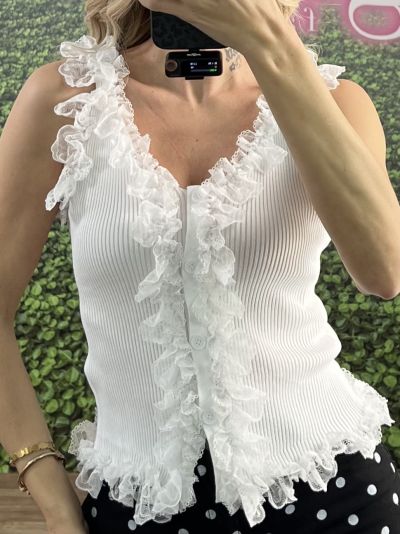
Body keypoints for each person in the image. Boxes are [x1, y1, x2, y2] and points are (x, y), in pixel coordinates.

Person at [1, 0, 399, 533]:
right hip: (138, 504)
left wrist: (272, 47)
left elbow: (384, 273)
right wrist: (51, 495)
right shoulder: (67, 100)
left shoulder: (336, 101)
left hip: (334, 490)